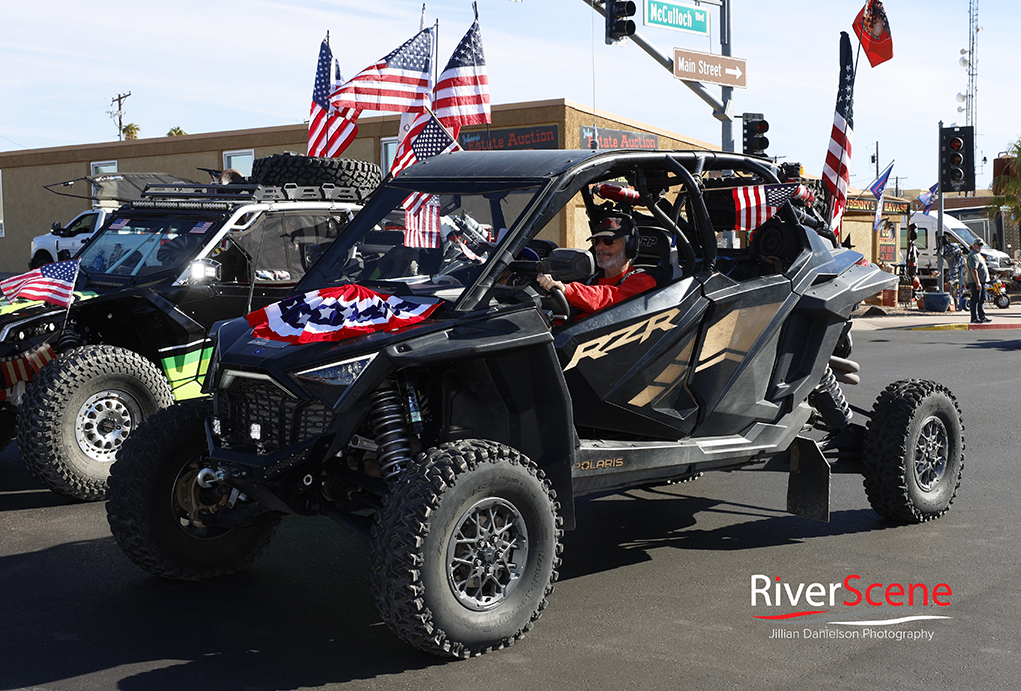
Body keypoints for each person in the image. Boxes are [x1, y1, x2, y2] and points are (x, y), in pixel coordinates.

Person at [536, 211, 656, 317]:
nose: (600, 247)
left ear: (629, 247)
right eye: (596, 241)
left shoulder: (642, 282)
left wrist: (565, 289)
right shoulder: (590, 279)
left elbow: (608, 298)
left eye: (609, 241)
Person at [966, 237, 991, 324]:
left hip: (982, 282)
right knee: (975, 300)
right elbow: (973, 270)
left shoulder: (978, 254)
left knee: (982, 299)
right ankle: (974, 318)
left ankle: (982, 316)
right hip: (975, 282)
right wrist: (977, 283)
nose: (980, 246)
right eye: (978, 244)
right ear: (974, 245)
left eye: (981, 244)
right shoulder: (972, 256)